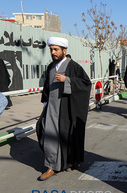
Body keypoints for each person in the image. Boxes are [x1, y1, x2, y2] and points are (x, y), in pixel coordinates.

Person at [36, 37, 91, 181]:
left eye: (56, 49)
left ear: (64, 51)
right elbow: (47, 87)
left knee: (68, 137)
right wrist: (45, 104)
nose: (53, 52)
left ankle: (68, 162)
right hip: (51, 109)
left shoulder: (74, 67)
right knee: (47, 136)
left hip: (67, 110)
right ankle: (51, 166)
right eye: (51, 49)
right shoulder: (50, 67)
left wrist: (67, 80)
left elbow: (86, 84)